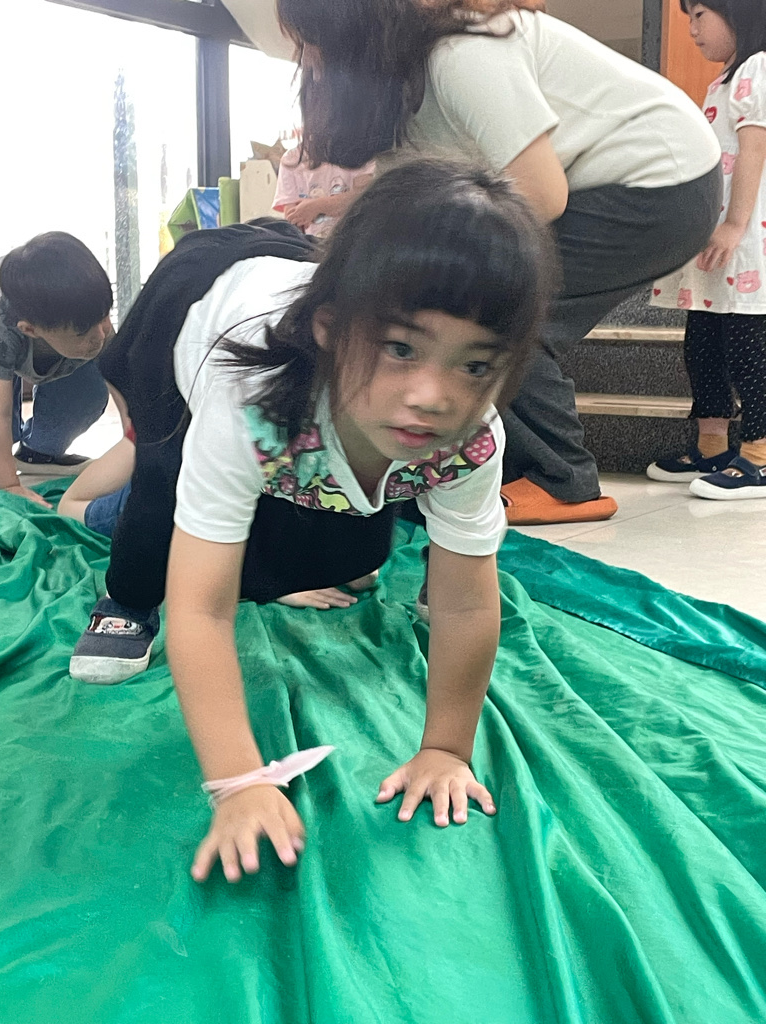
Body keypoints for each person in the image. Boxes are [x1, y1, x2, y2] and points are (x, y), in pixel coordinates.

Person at [67, 160, 552, 878]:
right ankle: (126, 600)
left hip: (303, 284)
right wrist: (239, 782)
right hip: (195, 297)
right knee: (162, 498)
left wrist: (446, 748)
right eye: (402, 349)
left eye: (475, 366)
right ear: (331, 329)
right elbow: (201, 608)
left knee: (349, 544)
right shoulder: (248, 401)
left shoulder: (471, 438)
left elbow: (465, 601)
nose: (432, 396)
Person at [275, 0, 724, 525]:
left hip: (660, 181)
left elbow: (541, 194)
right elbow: (405, 193)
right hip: (607, 183)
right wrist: (339, 224)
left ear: (355, 35)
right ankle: (505, 466)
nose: (307, 62)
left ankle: (563, 481)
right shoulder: (404, 83)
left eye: (310, 43)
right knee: (459, 306)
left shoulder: (461, 53)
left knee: (497, 315)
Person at [648, 0, 766, 499]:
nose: (692, 29)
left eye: (699, 15)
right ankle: (712, 445)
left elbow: (755, 148)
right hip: (718, 237)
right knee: (702, 344)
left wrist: (735, 224)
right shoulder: (724, 79)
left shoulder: (759, 68)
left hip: (746, 237)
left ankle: (759, 454)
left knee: (746, 346)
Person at [0, 232, 114, 506]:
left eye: (104, 317)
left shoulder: (86, 319)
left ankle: (37, 452)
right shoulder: (4, 330)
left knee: (92, 391)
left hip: (53, 345)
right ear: (31, 330)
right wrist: (9, 484)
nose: (101, 334)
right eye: (84, 332)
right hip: (7, 346)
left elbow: (126, 385)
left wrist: (136, 443)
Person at [273, 147, 375, 237]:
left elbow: (365, 198)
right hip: (311, 244)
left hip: (354, 240)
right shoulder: (291, 158)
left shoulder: (363, 152)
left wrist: (318, 206)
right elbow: (293, 217)